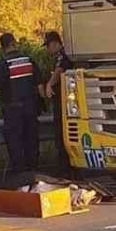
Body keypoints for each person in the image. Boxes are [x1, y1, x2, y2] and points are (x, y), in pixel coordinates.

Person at [0, 32, 43, 178]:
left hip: (12, 109)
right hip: (31, 107)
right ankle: (33, 169)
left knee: (14, 140)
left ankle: (20, 173)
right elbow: (39, 85)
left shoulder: (3, 64)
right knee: (31, 138)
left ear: (2, 47)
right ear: (14, 43)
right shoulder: (28, 60)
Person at [43, 30, 74, 176]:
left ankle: (66, 169)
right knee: (60, 134)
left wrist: (49, 84)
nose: (47, 50)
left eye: (48, 46)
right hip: (63, 101)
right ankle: (65, 167)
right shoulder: (60, 55)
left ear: (55, 44)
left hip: (64, 101)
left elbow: (59, 70)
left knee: (62, 134)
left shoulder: (63, 56)